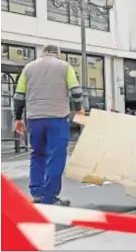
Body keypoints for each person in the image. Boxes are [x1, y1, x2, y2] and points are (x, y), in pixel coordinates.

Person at [13, 44, 85, 206]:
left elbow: (19, 96)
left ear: (42, 54)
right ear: (57, 54)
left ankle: (37, 193)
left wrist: (18, 118)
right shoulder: (65, 67)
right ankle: (50, 197)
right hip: (57, 119)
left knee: (37, 155)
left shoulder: (28, 68)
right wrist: (79, 109)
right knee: (56, 156)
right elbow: (76, 91)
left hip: (35, 119)